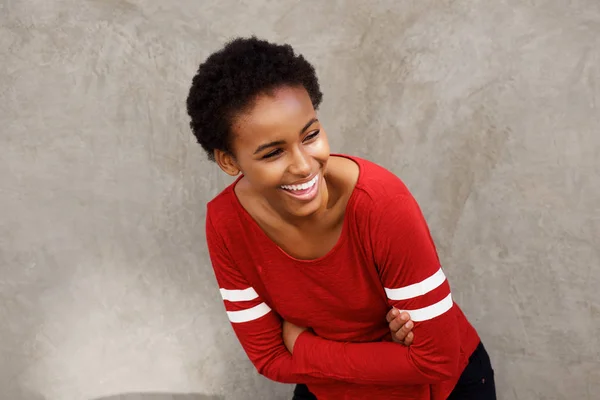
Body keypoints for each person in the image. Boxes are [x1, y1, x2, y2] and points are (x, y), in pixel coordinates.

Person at [186, 36, 496, 400]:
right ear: (229, 161)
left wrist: (302, 345)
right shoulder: (225, 223)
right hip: (330, 393)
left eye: (311, 135)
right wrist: (392, 354)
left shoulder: (381, 204)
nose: (304, 166)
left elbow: (436, 361)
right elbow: (269, 360)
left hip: (440, 391)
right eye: (273, 153)